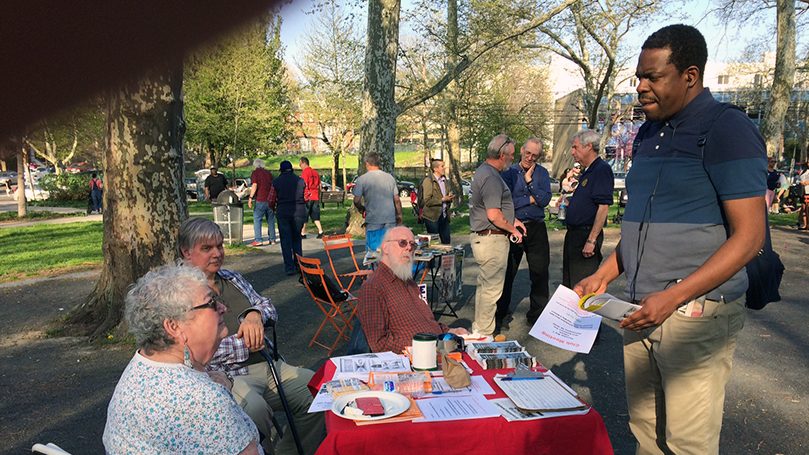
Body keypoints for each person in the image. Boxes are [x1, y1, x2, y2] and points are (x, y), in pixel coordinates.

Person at [575, 25, 766, 455]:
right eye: (638, 77)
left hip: (695, 315)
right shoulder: (647, 133)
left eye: (653, 77)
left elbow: (750, 236)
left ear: (690, 76)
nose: (641, 87)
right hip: (640, 308)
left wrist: (674, 296)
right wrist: (604, 275)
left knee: (687, 445)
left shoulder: (726, 128)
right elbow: (641, 225)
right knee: (646, 434)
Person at [179, 217, 324, 455]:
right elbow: (192, 347)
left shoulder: (232, 278)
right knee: (255, 410)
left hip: (269, 365)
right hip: (225, 374)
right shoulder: (178, 292)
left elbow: (267, 306)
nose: (217, 253)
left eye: (220, 246)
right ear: (186, 252)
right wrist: (248, 341)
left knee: (318, 391)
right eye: (207, 248)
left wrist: (254, 314)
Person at [103, 265, 263, 455]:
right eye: (210, 303)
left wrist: (223, 382)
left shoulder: (141, 365)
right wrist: (219, 393)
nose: (222, 308)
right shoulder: (204, 400)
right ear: (174, 326)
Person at [356, 226, 467, 353]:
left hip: (435, 348)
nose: (409, 248)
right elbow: (380, 343)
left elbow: (427, 321)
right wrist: (429, 346)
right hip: (414, 359)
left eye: (413, 245)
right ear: (385, 248)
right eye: (402, 243)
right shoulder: (374, 287)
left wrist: (449, 331)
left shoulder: (408, 282)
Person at [468, 134, 525, 337]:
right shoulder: (491, 176)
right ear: (502, 154)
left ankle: (480, 331)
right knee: (491, 291)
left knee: (486, 288)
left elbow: (492, 210)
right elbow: (493, 214)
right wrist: (513, 229)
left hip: (486, 236)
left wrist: (512, 220)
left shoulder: (486, 171)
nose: (513, 158)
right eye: (511, 155)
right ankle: (484, 335)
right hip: (491, 238)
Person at [497, 138, 552, 330]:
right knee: (507, 273)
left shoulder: (542, 173)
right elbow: (508, 202)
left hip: (536, 227)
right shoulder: (509, 173)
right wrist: (530, 198)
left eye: (534, 155)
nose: (530, 158)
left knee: (540, 273)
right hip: (515, 226)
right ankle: (501, 315)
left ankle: (537, 317)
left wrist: (530, 183)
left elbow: (545, 200)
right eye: (527, 153)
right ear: (522, 150)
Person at [562, 129, 613, 288]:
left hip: (585, 236)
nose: (572, 152)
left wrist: (591, 240)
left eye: (576, 147)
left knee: (582, 287)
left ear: (589, 146)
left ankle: (582, 314)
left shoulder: (601, 169)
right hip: (574, 235)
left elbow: (603, 207)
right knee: (570, 286)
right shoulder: (587, 171)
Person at [352, 151, 402, 252]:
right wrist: (399, 214)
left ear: (367, 163)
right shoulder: (389, 178)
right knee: (390, 249)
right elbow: (396, 199)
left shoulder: (362, 179)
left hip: (373, 219)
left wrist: (361, 208)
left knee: (373, 251)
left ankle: (374, 267)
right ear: (379, 163)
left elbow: (356, 200)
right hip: (389, 218)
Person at [273, 161, 306, 276]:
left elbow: (271, 199)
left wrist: (273, 209)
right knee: (297, 239)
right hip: (299, 212)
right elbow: (306, 196)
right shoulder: (300, 181)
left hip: (283, 212)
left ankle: (289, 267)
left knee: (286, 241)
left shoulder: (276, 182)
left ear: (280, 170)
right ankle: (299, 264)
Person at [419, 159, 453, 244]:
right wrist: (442, 200)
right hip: (432, 217)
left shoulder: (444, 181)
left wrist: (449, 199)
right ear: (435, 169)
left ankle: (444, 257)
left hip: (444, 216)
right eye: (442, 166)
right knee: (434, 244)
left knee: (446, 243)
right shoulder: (429, 181)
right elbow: (427, 200)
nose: (445, 168)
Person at [249, 158, 277, 246]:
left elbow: (254, 185)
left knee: (257, 219)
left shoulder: (255, 173)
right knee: (271, 220)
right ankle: (272, 239)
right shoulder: (268, 173)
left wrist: (250, 197)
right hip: (269, 200)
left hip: (260, 199)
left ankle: (258, 239)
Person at [299, 157, 324, 239]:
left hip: (308, 197)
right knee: (315, 215)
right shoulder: (315, 172)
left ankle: (302, 233)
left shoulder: (305, 173)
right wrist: (318, 194)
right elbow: (320, 185)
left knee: (304, 215)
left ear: (304, 163)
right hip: (315, 196)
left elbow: (304, 185)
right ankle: (320, 231)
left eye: (300, 164)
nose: (300, 166)